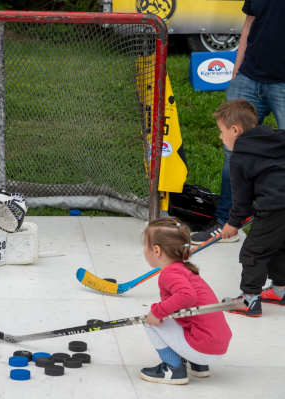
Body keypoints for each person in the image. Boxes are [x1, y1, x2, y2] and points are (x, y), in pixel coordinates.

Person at [191, 0, 285, 244]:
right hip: (248, 77)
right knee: (233, 153)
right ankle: (226, 222)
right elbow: (248, 25)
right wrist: (236, 71)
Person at [140, 218, 232, 385]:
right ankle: (197, 365)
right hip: (217, 345)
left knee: (150, 317)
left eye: (145, 246)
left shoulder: (170, 273)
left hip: (202, 347)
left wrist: (157, 312)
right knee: (175, 312)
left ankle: (173, 369)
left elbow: (187, 295)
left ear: (156, 250)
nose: (144, 250)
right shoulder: (185, 269)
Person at [215, 99, 285, 317]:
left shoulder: (240, 157)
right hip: (280, 204)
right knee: (279, 246)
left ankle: (250, 299)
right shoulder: (275, 138)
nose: (220, 136)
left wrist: (233, 223)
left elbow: (242, 200)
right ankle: (280, 291)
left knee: (253, 251)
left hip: (274, 207)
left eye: (222, 131)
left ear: (235, 130)